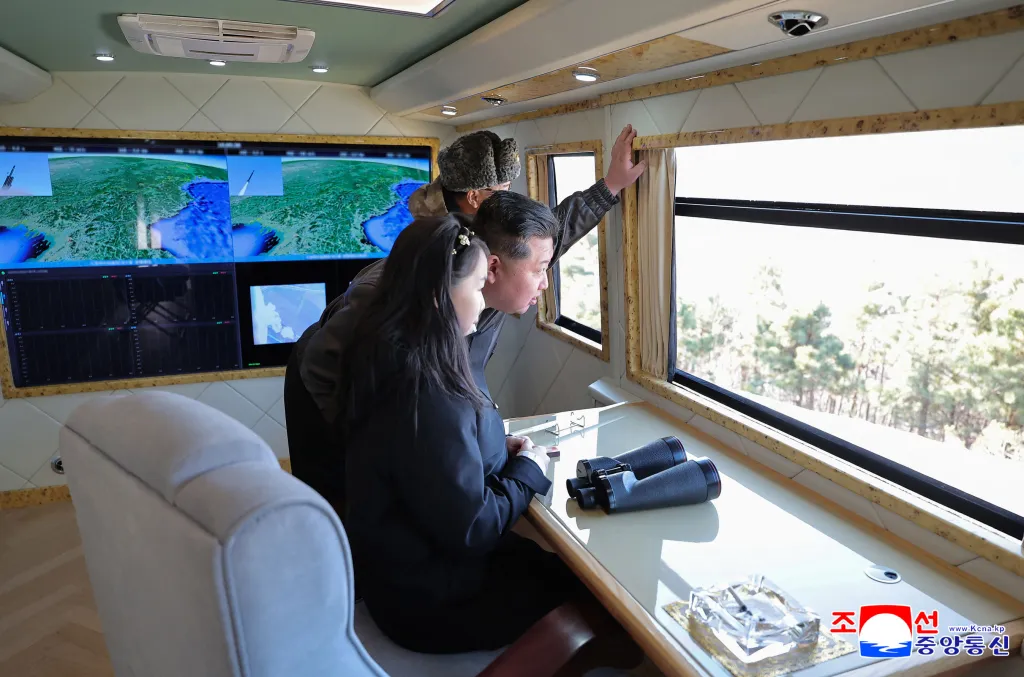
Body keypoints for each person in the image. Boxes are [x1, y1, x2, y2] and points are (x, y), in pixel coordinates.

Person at [284, 125, 647, 516]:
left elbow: (541, 245)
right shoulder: (415, 275)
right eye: (503, 190)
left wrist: (609, 186)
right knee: (348, 511)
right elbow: (322, 364)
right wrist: (379, 444)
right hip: (321, 389)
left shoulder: (490, 243)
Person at [336, 214, 635, 662]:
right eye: (477, 288)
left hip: (400, 574)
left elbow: (428, 459)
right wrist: (529, 470)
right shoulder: (427, 386)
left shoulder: (385, 348)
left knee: (567, 573)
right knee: (605, 604)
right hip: (430, 602)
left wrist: (496, 451)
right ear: (439, 298)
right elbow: (472, 527)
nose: (482, 302)